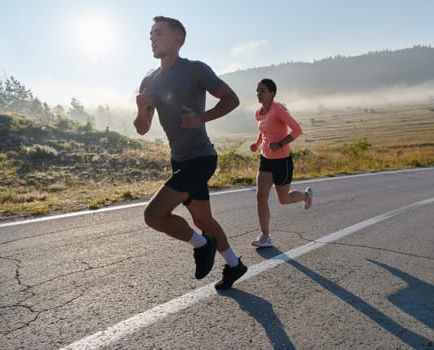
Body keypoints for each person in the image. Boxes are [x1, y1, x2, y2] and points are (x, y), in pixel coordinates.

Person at [134, 16, 247, 290]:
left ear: (177, 40)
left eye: (158, 33)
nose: (152, 38)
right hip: (180, 160)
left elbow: (231, 98)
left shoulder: (195, 69)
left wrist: (201, 118)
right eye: (151, 34)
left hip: (201, 158)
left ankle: (201, 244)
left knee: (153, 216)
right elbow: (142, 128)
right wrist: (141, 108)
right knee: (202, 219)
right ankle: (235, 265)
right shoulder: (149, 81)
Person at [249, 78, 313, 248]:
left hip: (282, 161)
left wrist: (280, 144)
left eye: (262, 91)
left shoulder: (279, 110)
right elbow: (263, 132)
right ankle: (265, 236)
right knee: (260, 196)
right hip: (265, 160)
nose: (259, 94)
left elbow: (297, 130)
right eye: (257, 90)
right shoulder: (259, 112)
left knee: (283, 199)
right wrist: (257, 144)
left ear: (272, 93)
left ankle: (306, 196)